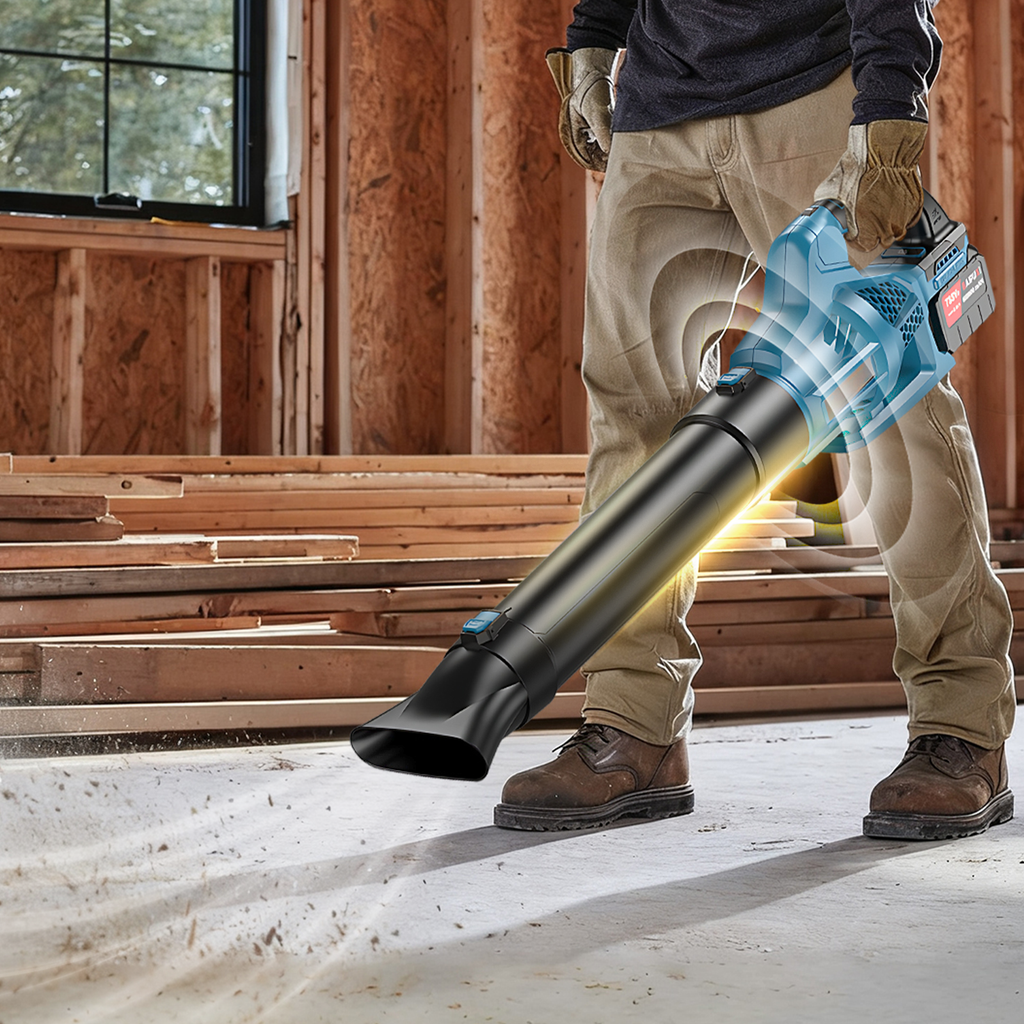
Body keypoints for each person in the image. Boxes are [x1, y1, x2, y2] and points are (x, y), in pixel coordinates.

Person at [494, 0, 1015, 840]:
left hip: (814, 86)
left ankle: (961, 728)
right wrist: (596, 35)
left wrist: (890, 102)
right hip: (659, 106)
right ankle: (633, 724)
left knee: (893, 394)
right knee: (635, 417)